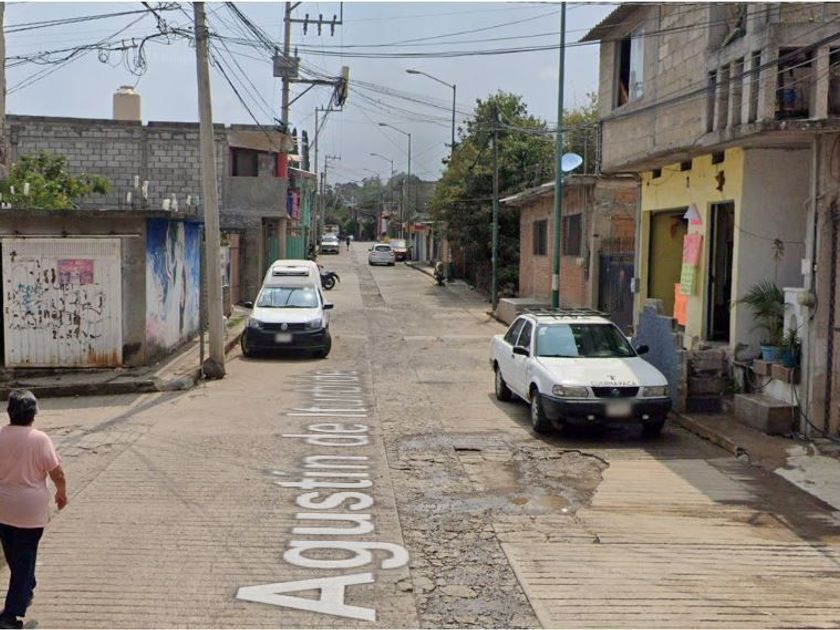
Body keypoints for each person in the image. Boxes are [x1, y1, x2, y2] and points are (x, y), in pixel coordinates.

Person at [0, 391, 67, 629]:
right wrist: (61, 492)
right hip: (30, 510)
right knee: (25, 558)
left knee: (15, 555)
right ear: (33, 414)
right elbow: (57, 472)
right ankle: (10, 616)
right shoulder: (40, 439)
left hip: (3, 508)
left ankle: (26, 588)